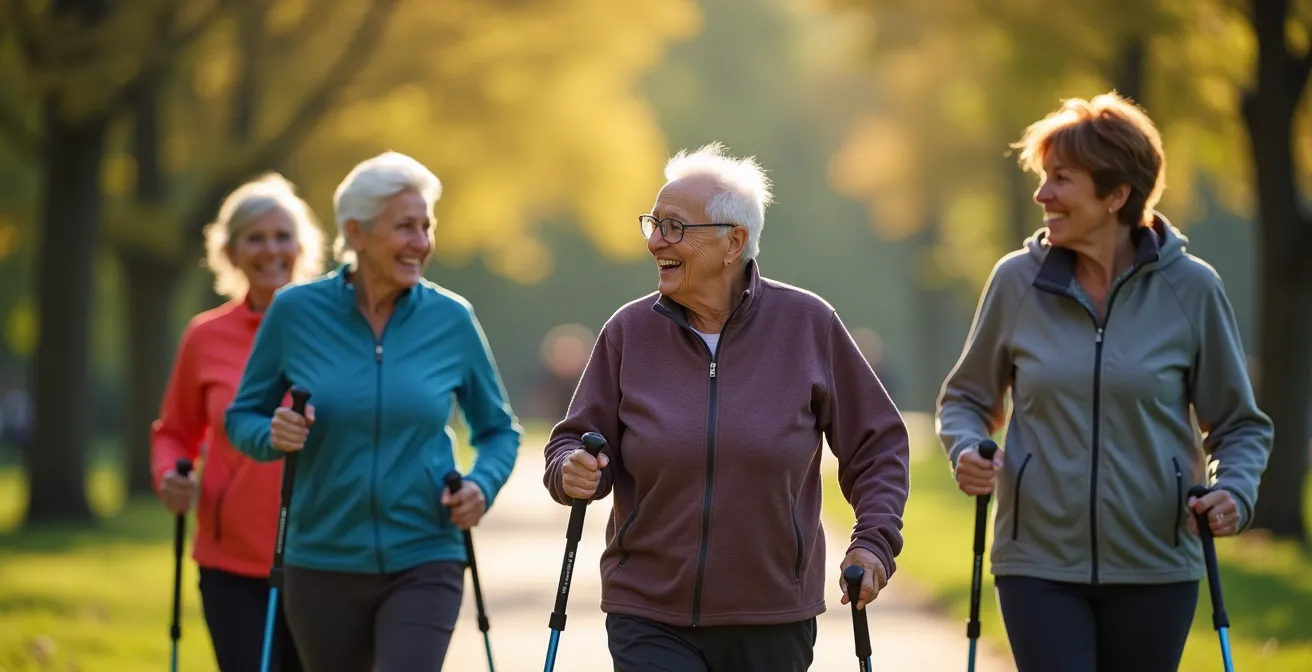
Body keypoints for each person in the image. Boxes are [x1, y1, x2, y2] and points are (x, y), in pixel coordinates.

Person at [936, 92, 1273, 672]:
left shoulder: (1192, 289)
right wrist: (967, 448)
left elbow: (1239, 425)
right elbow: (966, 398)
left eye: (1061, 179)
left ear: (1116, 194)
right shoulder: (1017, 282)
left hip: (1156, 566)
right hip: (1037, 565)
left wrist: (1234, 492)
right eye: (1043, 177)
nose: (1042, 195)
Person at [542, 142, 911, 671]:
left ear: (733, 242)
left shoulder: (807, 325)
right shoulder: (629, 332)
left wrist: (873, 543)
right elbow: (573, 439)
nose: (654, 241)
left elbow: (878, 445)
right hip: (648, 612)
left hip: (772, 617)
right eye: (653, 223)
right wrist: (570, 468)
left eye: (674, 227)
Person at [224, 151, 523, 672]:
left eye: (426, 227)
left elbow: (499, 430)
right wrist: (273, 433)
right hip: (321, 562)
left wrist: (481, 485)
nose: (421, 242)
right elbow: (241, 416)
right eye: (405, 227)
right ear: (356, 233)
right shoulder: (295, 312)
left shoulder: (451, 319)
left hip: (426, 555)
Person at [150, 172, 324, 672]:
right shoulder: (205, 337)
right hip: (231, 563)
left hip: (325, 558)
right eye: (255, 238)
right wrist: (170, 474)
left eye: (282, 236)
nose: (271, 250)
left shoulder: (336, 329)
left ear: (302, 246)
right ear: (229, 252)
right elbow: (175, 432)